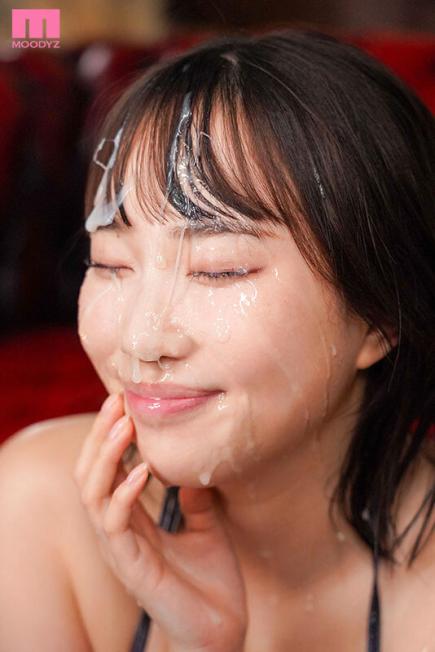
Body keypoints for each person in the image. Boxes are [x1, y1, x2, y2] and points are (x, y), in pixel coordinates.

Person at [0, 28, 434, 652]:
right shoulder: (39, 508)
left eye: (220, 270)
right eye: (112, 264)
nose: (142, 340)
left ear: (379, 315)